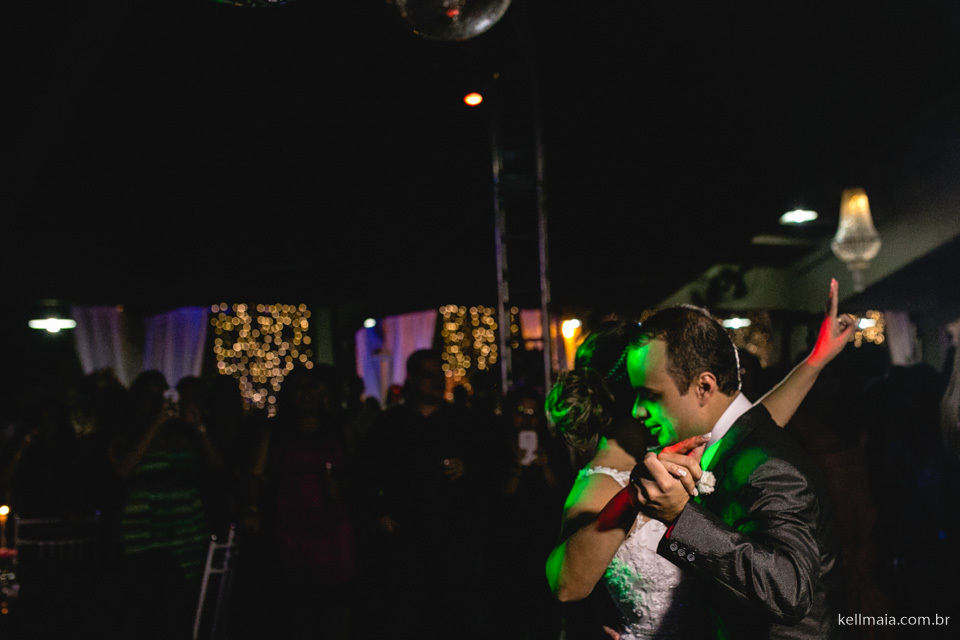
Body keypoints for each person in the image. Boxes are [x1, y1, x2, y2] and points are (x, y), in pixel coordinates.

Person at [546, 280, 854, 639]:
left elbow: (743, 427)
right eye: (642, 391)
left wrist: (815, 360)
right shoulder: (605, 478)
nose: (641, 408)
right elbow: (566, 585)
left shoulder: (684, 443)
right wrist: (633, 502)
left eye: (650, 391)